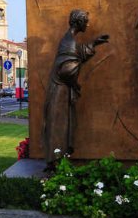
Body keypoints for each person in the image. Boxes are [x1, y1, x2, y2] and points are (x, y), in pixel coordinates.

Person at [43, 10, 109, 167]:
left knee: (60, 124)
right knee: (58, 125)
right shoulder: (69, 41)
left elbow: (74, 55)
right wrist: (75, 83)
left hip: (60, 90)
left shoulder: (69, 40)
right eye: (86, 21)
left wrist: (94, 43)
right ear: (79, 23)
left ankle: (59, 159)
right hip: (60, 91)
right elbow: (67, 69)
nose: (88, 24)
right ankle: (56, 162)